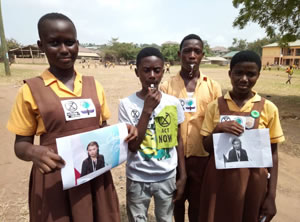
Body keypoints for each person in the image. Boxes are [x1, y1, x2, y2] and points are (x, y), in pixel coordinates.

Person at [7, 12, 137, 222]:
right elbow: (20, 145)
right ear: (41, 45)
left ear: (77, 44)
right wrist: (33, 151)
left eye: (69, 42)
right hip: (55, 179)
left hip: (95, 175)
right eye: (54, 43)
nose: (64, 49)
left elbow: (102, 128)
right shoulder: (31, 90)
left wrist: (123, 131)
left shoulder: (94, 85)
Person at [199, 50, 285, 222]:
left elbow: (273, 155)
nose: (244, 79)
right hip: (219, 180)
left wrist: (271, 196)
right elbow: (206, 147)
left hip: (254, 181)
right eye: (239, 73)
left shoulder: (268, 108)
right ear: (230, 74)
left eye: (250, 74)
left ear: (258, 76)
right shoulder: (215, 106)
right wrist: (219, 129)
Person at [118, 47, 187, 222]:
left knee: (165, 218)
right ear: (137, 72)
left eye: (157, 70)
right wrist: (147, 110)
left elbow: (178, 140)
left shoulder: (173, 102)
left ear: (163, 71)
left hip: (167, 176)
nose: (152, 75)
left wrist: (182, 174)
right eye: (146, 70)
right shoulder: (126, 104)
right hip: (137, 177)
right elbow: (133, 146)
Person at [160, 34, 222, 222]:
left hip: (203, 158)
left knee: (198, 205)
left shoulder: (213, 87)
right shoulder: (167, 87)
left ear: (203, 55)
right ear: (180, 54)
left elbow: (216, 127)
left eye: (197, 51)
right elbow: (165, 127)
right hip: (174, 158)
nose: (192, 55)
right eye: (187, 51)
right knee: (176, 202)